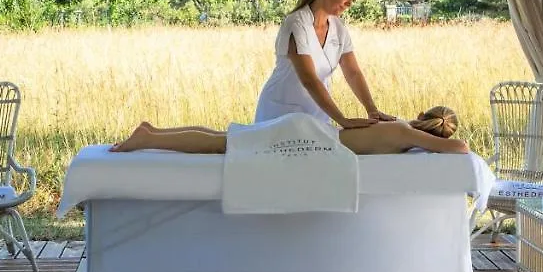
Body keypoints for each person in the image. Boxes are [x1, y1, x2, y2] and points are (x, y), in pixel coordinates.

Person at [254, 0, 392, 129]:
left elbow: (353, 72)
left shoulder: (338, 28)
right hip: (280, 114)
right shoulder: (297, 23)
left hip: (317, 116)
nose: (349, 4)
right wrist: (343, 120)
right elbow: (309, 79)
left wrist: (372, 110)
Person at [110, 106, 470, 156]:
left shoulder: (399, 125)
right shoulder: (407, 133)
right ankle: (150, 139)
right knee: (225, 144)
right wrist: (436, 138)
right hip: (311, 138)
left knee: (226, 137)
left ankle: (154, 131)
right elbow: (461, 149)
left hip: (312, 130)